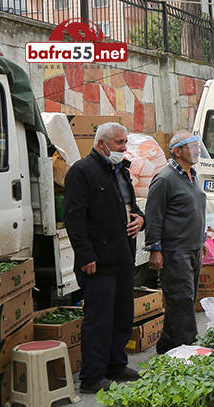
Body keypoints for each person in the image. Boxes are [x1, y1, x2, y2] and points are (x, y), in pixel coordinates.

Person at [65, 122, 144, 392]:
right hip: (98, 261)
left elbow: (132, 205)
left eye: (125, 142)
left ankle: (115, 365)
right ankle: (92, 377)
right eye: (119, 143)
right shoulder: (82, 172)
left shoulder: (121, 170)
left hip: (123, 256)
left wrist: (140, 218)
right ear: (102, 144)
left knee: (122, 316)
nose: (124, 148)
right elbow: (74, 219)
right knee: (99, 320)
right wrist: (86, 256)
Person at [146, 131, 208, 355]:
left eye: (197, 146)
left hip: (192, 248)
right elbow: (154, 216)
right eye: (192, 146)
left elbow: (196, 209)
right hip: (175, 250)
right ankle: (190, 350)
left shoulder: (192, 174)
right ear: (177, 152)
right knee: (181, 300)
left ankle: (166, 345)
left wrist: (201, 240)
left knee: (185, 299)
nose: (197, 150)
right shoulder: (165, 179)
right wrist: (154, 249)